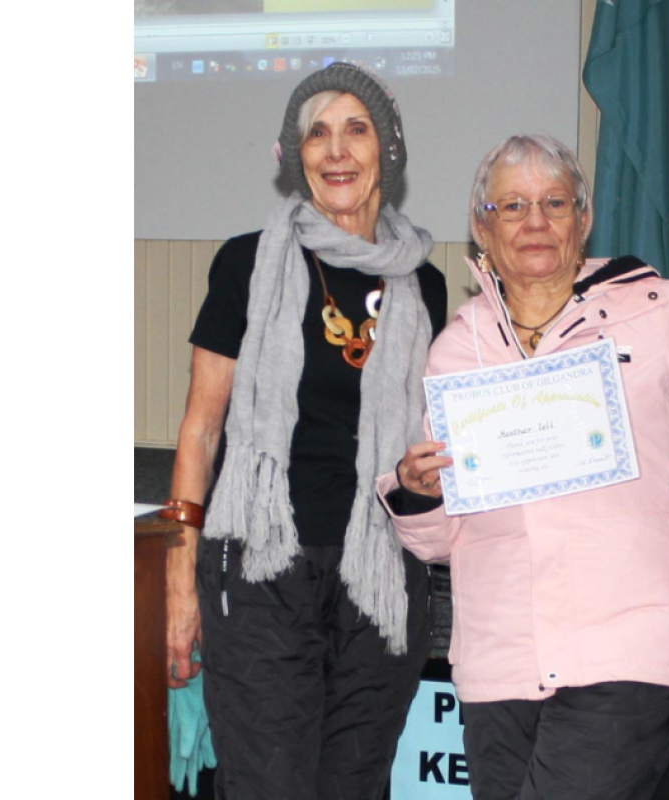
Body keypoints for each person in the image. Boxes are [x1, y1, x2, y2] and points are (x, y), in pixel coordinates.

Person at [379, 134, 669, 800]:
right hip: (499, 658)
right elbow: (439, 542)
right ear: (482, 225)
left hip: (629, 645)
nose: (535, 222)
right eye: (512, 206)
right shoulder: (457, 347)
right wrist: (418, 491)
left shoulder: (659, 312)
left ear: (583, 218)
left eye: (554, 202)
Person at [162, 63, 447, 800]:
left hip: (380, 577)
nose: (337, 149)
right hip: (259, 572)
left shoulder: (426, 284)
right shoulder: (245, 264)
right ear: (296, 157)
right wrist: (179, 583)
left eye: (356, 129)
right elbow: (199, 432)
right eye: (316, 132)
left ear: (387, 148)